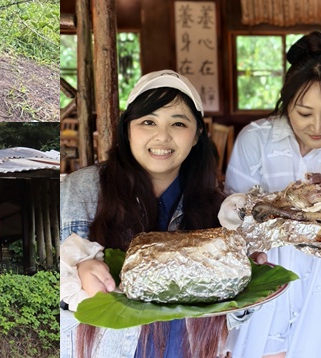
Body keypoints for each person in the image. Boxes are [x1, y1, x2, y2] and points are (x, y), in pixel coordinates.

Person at [222, 31, 321, 358]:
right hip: (267, 282)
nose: (316, 125)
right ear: (286, 101)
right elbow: (233, 221)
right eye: (303, 112)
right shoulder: (256, 140)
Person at [60, 70, 228, 358]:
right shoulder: (81, 190)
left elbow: (232, 317)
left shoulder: (216, 207)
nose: (162, 136)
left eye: (178, 123)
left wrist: (245, 271)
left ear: (198, 134)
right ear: (128, 128)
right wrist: (77, 271)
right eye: (148, 121)